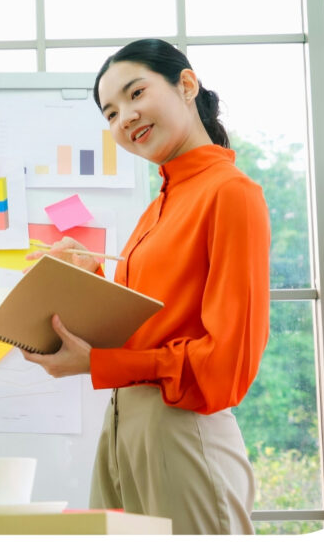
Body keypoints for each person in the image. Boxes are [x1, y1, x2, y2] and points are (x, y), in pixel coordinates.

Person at [20, 38, 270, 534]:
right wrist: (82, 278)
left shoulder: (231, 194)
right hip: (122, 431)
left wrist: (97, 364)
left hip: (182, 431)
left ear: (186, 84)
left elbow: (226, 368)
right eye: (111, 113)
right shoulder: (156, 207)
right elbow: (144, 331)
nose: (125, 118)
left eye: (136, 94)